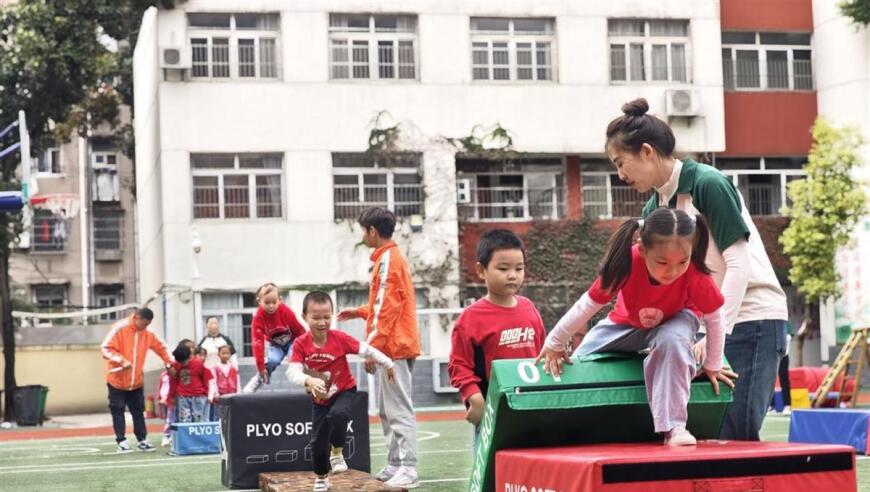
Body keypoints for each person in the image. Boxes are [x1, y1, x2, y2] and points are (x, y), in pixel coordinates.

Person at [604, 97, 789, 440]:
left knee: (733, 437)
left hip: (749, 321)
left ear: (646, 151)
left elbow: (739, 262)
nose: (620, 175)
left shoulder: (707, 183)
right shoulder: (654, 208)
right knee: (698, 438)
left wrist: (712, 334)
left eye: (621, 163)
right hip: (702, 330)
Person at [537, 208, 734, 446]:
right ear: (642, 250)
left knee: (671, 340)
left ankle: (674, 427)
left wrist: (712, 364)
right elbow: (587, 305)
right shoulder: (626, 262)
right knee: (581, 359)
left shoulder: (693, 271)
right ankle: (571, 421)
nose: (672, 271)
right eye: (662, 262)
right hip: (627, 321)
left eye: (682, 261)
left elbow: (715, 317)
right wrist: (555, 343)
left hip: (678, 318)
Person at [337, 207, 421, 488]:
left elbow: (387, 307)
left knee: (398, 409)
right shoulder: (389, 259)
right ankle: (396, 462)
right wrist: (359, 312)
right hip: (394, 344)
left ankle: (408, 467)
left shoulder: (387, 260)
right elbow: (382, 305)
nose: (363, 236)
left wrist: (372, 348)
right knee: (388, 410)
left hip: (393, 347)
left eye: (363, 230)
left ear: (372, 231)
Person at [288, 291, 396, 492]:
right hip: (320, 399)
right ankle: (321, 477)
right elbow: (292, 371)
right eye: (316, 317)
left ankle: (337, 452)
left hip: (344, 389)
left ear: (332, 315)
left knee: (339, 414)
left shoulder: (339, 338)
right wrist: (308, 379)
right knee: (317, 444)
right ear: (304, 317)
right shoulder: (300, 344)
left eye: (327, 317)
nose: (322, 322)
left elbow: (367, 350)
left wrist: (388, 363)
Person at [448, 229, 545, 445]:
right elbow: (458, 365)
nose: (513, 275)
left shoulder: (530, 309)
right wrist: (475, 398)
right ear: (481, 270)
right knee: (491, 474)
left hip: (531, 408)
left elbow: (541, 356)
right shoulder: (470, 319)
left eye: (519, 268)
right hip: (492, 413)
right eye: (503, 268)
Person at [100, 307, 174, 453]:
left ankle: (142, 440)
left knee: (138, 411)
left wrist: (169, 363)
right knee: (118, 410)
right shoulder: (119, 328)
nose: (145, 327)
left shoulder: (147, 333)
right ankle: (121, 441)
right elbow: (105, 348)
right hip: (117, 379)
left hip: (136, 381)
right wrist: (121, 360)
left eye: (148, 325)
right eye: (144, 324)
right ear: (137, 318)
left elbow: (162, 347)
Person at [242, 282, 307, 393]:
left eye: (274, 302)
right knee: (273, 360)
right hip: (276, 345)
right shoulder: (258, 318)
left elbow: (300, 330)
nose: (271, 306)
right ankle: (259, 379)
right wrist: (261, 367)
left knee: (294, 359)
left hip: (293, 341)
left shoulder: (286, 312)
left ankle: (310, 383)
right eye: (267, 303)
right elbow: (257, 343)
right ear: (259, 301)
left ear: (280, 300)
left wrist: (306, 350)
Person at [169, 343, 214, 423]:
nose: (183, 364)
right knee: (184, 419)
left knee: (198, 418)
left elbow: (206, 378)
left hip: (198, 396)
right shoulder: (176, 365)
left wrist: (206, 393)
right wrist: (172, 395)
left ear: (189, 356)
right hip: (183, 397)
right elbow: (173, 379)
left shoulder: (198, 364)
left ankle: (197, 435)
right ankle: (186, 435)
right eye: (180, 362)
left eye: (184, 361)